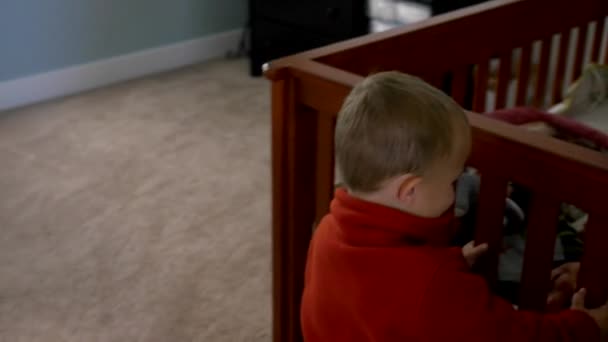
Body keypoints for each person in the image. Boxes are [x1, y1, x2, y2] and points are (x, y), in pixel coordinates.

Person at [300, 71, 608, 341]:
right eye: (452, 181)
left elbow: (376, 298)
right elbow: (513, 336)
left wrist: (445, 265)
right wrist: (585, 327)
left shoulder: (326, 231)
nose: (456, 191)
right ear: (409, 190)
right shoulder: (433, 289)